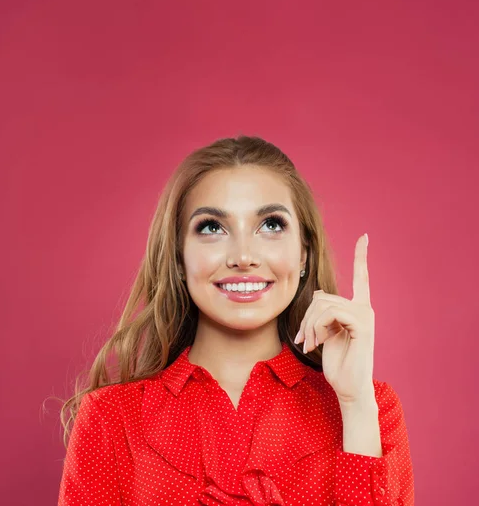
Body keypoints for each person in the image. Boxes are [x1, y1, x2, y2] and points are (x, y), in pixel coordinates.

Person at [57, 135, 415, 505]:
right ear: (179, 259)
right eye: (212, 228)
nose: (243, 256)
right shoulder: (110, 418)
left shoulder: (372, 408)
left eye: (270, 225)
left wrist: (355, 405)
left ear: (304, 253)